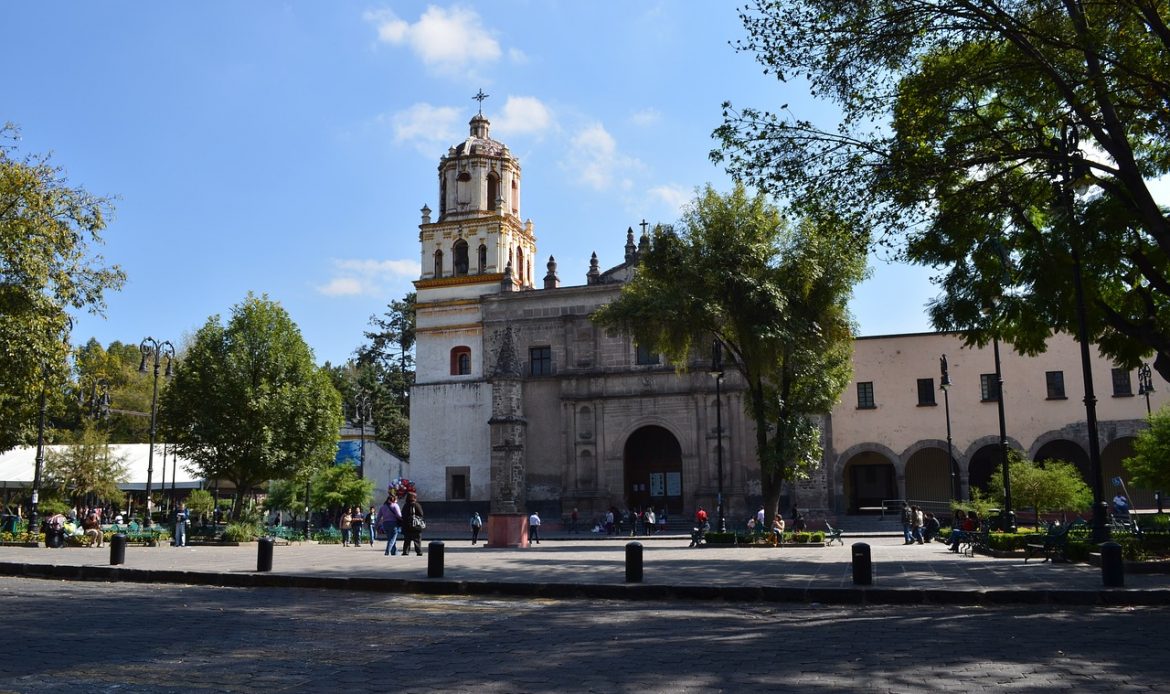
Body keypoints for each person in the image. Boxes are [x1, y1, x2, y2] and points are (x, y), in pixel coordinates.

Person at [400, 492, 424, 556]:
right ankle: (419, 551)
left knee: (407, 540)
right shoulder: (416, 505)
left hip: (407, 526)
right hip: (416, 526)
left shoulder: (406, 505)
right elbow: (421, 514)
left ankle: (406, 551)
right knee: (417, 540)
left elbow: (403, 515)